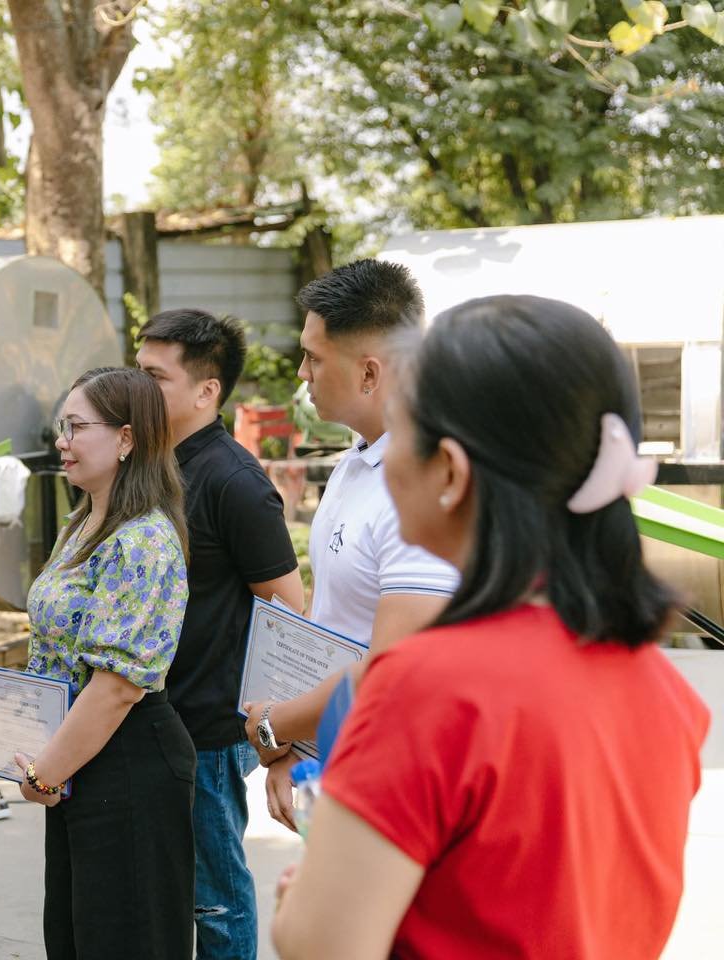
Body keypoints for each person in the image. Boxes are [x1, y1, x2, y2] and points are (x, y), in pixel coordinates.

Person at [272, 295, 710, 959]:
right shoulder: (662, 688)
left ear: (449, 470)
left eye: (400, 428)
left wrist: (298, 903)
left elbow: (320, 944)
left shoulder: (423, 687)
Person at [241, 260, 457, 825]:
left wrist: (277, 727)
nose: (302, 373)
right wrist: (294, 746)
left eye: (314, 357)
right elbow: (335, 622)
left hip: (398, 781)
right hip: (339, 761)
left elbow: (395, 668)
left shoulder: (422, 486)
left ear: (369, 373)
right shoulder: (355, 463)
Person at [135, 309, 303, 960]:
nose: (139, 386)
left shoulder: (234, 480)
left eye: (156, 376)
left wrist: (280, 742)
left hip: (205, 730)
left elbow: (287, 614)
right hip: (138, 715)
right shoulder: (146, 464)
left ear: (207, 391)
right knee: (159, 893)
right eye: (137, 370)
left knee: (215, 898)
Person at [16, 366, 194, 960]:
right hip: (79, 753)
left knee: (123, 940)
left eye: (76, 427)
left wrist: (46, 773)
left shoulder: (142, 540)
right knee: (75, 936)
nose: (61, 440)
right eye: (60, 426)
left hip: (126, 759)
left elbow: (116, 687)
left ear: (126, 438)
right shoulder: (86, 519)